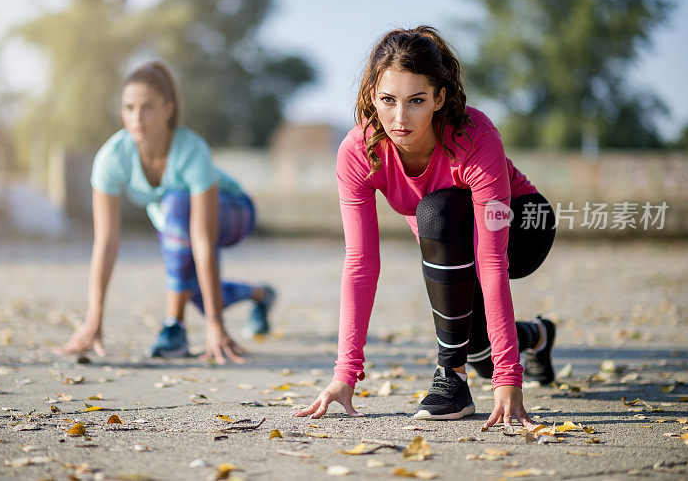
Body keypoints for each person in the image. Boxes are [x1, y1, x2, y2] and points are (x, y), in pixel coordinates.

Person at [296, 26, 556, 429]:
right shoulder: (359, 151)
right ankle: (537, 336)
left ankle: (450, 379)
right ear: (371, 99)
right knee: (481, 354)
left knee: (436, 210)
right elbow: (361, 262)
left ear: (439, 98)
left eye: (416, 101)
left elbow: (490, 261)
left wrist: (510, 379)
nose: (400, 118)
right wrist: (344, 375)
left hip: (521, 227)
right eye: (388, 101)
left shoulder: (474, 135)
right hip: (451, 246)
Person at [55, 60, 275, 363]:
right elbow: (105, 243)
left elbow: (202, 241)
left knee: (176, 205)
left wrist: (215, 324)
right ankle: (260, 295)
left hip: (234, 212)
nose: (137, 117)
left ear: (168, 108)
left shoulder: (191, 150)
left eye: (148, 107)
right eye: (128, 108)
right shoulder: (112, 158)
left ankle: (174, 326)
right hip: (179, 226)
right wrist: (94, 319)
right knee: (193, 288)